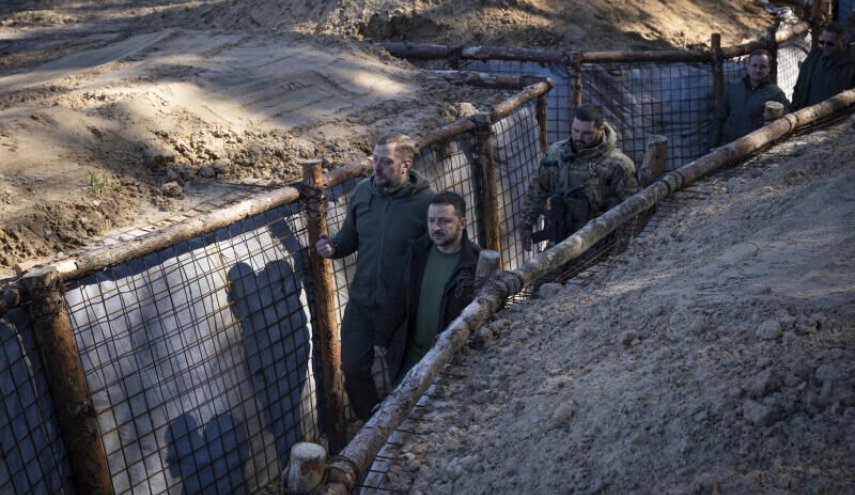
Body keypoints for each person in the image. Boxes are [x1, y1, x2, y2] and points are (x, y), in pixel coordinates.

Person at [315, 133, 434, 420]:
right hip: (363, 302)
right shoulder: (361, 193)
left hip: (404, 309)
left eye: (386, 162)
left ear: (406, 165)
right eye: (374, 160)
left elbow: (436, 254)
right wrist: (334, 247)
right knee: (353, 368)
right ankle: (371, 429)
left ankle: (404, 429)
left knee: (402, 374)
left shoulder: (427, 203)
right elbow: (350, 236)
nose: (376, 167)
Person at [388, 191, 481, 382]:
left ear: (462, 224)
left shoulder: (476, 263)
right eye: (431, 221)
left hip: (449, 361)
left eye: (444, 221)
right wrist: (382, 337)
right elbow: (398, 295)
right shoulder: (418, 252)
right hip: (411, 357)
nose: (435, 227)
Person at [518, 104, 638, 251]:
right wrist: (526, 225)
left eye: (587, 133)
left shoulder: (618, 165)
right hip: (559, 240)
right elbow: (537, 190)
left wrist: (621, 249)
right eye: (575, 130)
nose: (579, 138)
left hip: (598, 246)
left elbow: (632, 210)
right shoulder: (556, 154)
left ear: (601, 130)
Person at [710, 49, 789, 147]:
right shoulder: (734, 88)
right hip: (728, 146)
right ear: (747, 65)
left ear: (769, 68)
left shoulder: (775, 93)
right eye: (754, 65)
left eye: (763, 67)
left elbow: (785, 120)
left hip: (755, 149)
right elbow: (719, 118)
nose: (758, 70)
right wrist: (713, 146)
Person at [791, 21, 855, 110]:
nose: (825, 46)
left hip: (834, 120)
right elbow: (799, 87)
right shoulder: (814, 57)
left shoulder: (850, 66)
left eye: (830, 44)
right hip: (805, 115)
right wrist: (795, 106)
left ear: (842, 42)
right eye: (822, 42)